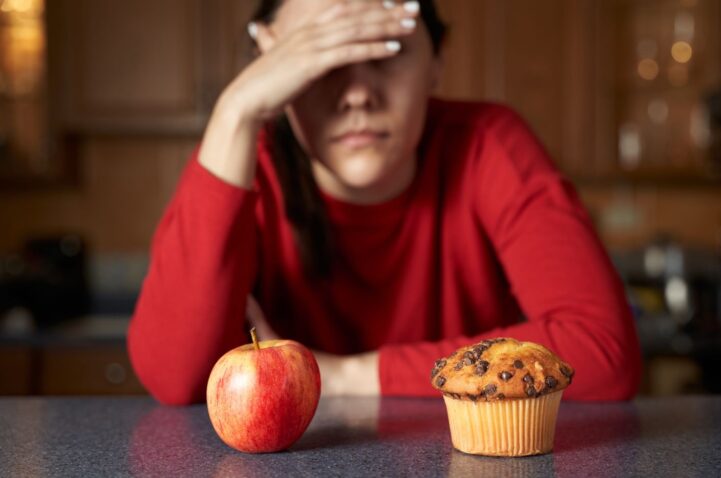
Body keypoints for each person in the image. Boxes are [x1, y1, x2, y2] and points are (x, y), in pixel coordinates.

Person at [128, 0, 642, 405]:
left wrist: (343, 374)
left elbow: (602, 352)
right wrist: (236, 109)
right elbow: (176, 377)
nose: (357, 94)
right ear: (272, 60)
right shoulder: (242, 163)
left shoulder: (489, 143)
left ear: (436, 62)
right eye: (319, 53)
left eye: (388, 51)